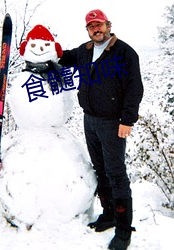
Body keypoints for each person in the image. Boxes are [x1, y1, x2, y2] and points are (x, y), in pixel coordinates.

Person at [59, 9, 143, 250]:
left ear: (108, 25)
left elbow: (134, 88)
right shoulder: (84, 51)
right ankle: (109, 214)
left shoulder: (124, 52)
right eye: (91, 26)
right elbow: (64, 57)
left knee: (116, 173)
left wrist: (127, 120)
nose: (96, 29)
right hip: (90, 120)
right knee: (101, 169)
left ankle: (124, 231)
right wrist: (40, 47)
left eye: (99, 24)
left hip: (113, 122)